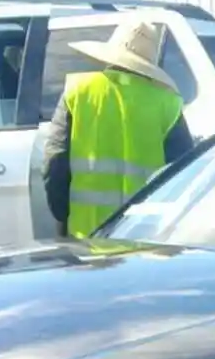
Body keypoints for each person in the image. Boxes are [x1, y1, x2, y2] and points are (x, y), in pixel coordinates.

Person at [43, 17, 194, 239]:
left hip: (87, 235)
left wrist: (62, 218)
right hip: (147, 236)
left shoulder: (78, 92)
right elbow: (184, 176)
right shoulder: (167, 103)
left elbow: (54, 164)